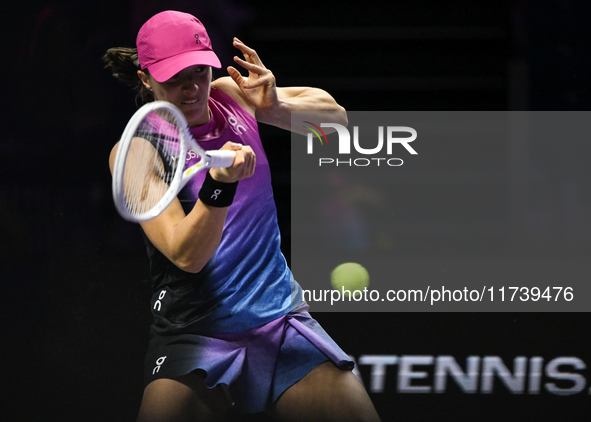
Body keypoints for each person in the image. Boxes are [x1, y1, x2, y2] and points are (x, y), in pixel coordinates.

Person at [104, 10, 381, 422]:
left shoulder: (228, 95)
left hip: (278, 318)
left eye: (198, 71)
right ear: (146, 78)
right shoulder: (141, 152)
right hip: (196, 330)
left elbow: (334, 123)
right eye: (174, 77)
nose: (191, 88)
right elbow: (186, 254)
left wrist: (275, 104)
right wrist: (220, 186)